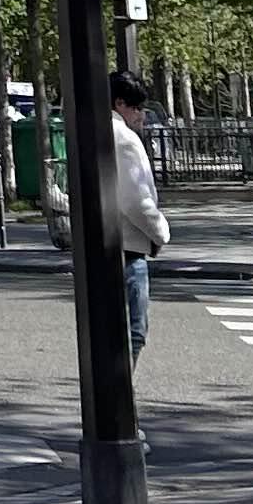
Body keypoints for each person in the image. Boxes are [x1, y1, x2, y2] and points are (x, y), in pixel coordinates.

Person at [107, 68, 171, 353]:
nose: (141, 115)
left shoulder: (94, 131)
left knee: (115, 334)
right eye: (137, 107)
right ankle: (120, 384)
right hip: (128, 246)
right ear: (120, 103)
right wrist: (161, 233)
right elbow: (135, 201)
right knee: (134, 334)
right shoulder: (124, 138)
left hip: (104, 246)